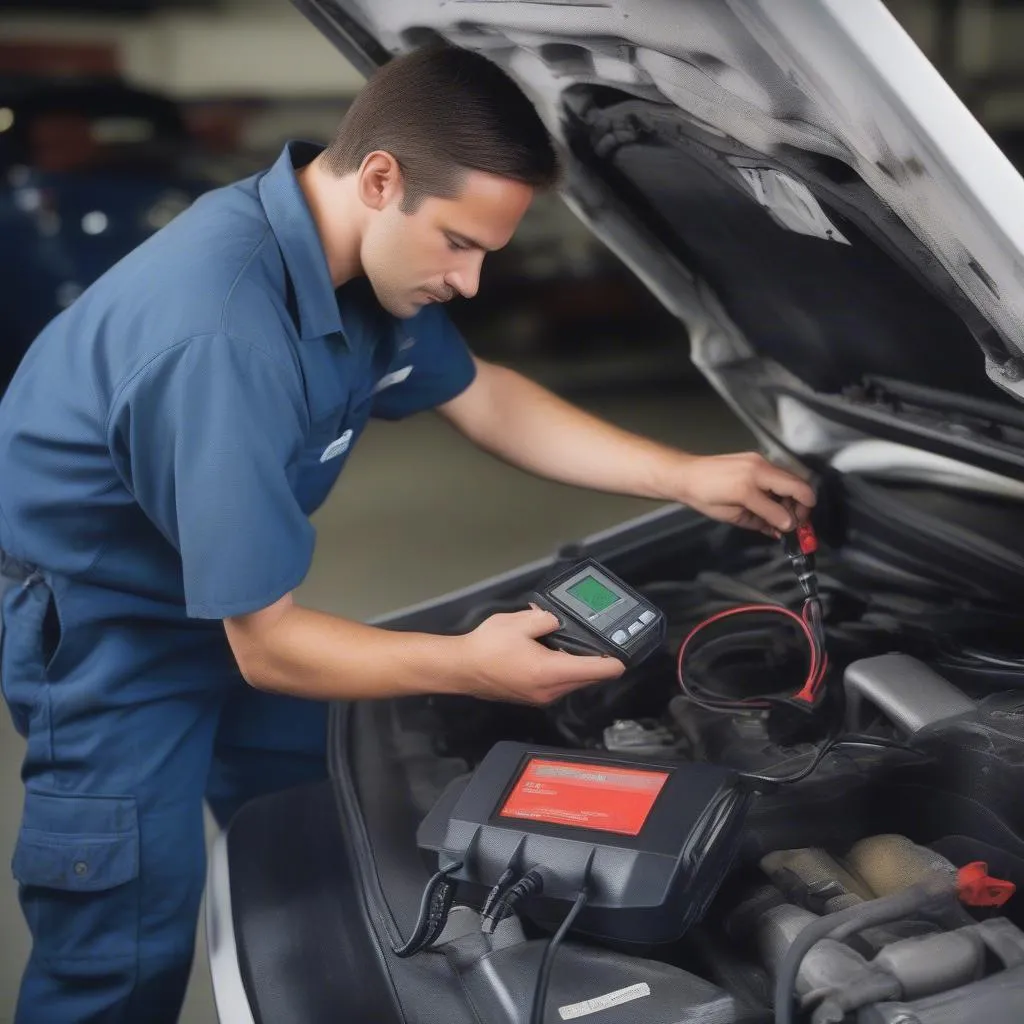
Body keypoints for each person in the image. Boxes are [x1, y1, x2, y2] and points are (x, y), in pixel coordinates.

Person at [0, 43, 815, 1022]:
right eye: (460, 244)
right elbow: (268, 645)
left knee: (337, 799)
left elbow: (483, 398)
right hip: (103, 623)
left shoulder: (363, 264)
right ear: (380, 178)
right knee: (124, 933)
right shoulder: (224, 335)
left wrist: (683, 472)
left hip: (211, 584)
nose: (470, 283)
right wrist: (466, 665)